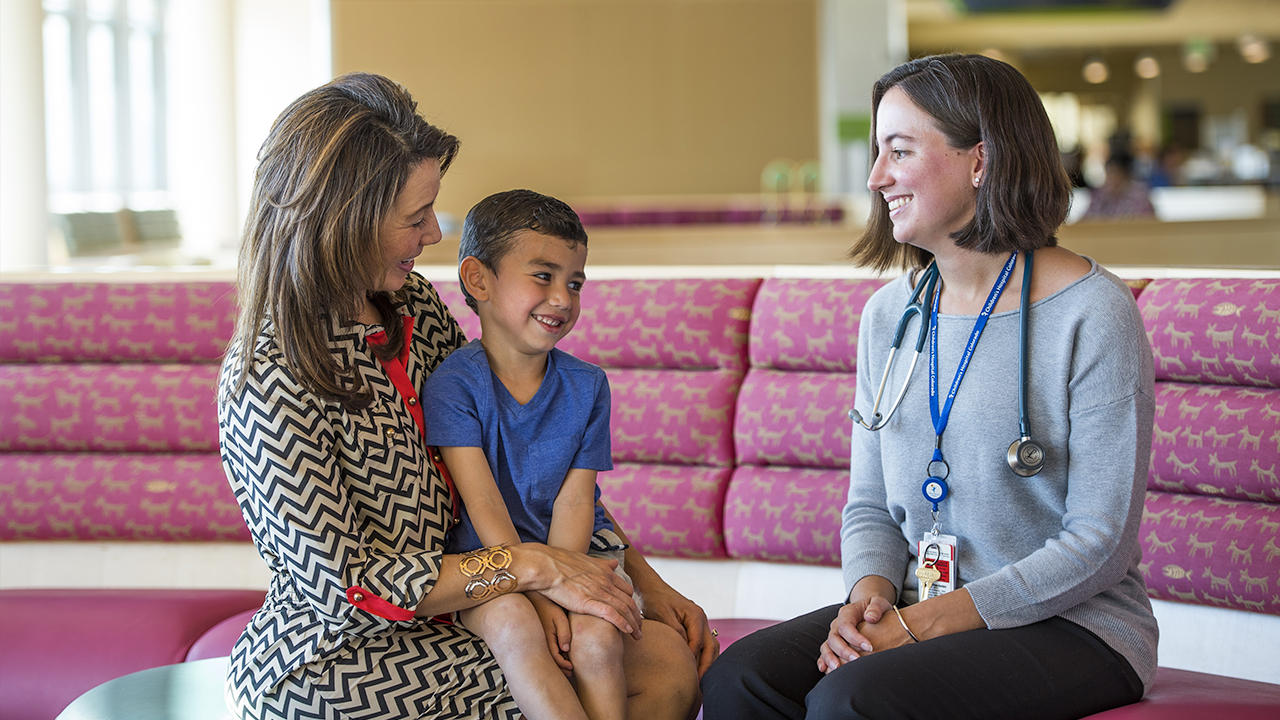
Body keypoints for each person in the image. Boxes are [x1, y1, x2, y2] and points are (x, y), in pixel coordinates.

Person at [218, 72, 712, 720]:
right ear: (345, 221)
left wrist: (642, 582)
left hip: (466, 608)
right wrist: (530, 569)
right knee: (639, 668)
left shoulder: (410, 304)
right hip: (337, 657)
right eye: (415, 217)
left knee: (665, 657)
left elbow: (529, 457)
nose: (431, 235)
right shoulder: (269, 377)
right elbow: (348, 589)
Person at [701, 53, 1157, 720]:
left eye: (900, 151)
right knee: (739, 679)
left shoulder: (1093, 312)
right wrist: (867, 601)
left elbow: (1099, 544)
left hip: (1076, 626)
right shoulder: (892, 315)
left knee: (853, 700)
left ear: (981, 161)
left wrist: (917, 627)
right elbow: (870, 504)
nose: (875, 176)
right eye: (877, 151)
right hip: (921, 601)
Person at [420, 189, 634, 720]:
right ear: (479, 280)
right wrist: (538, 591)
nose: (562, 297)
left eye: (575, 283)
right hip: (490, 570)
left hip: (574, 555)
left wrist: (565, 591)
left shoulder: (588, 386)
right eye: (543, 276)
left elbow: (577, 503)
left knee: (598, 636)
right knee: (518, 625)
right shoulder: (454, 387)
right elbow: (484, 505)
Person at [1083, 150, 1156, 220]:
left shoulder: (1140, 199)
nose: (1110, 178)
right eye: (1108, 173)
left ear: (1126, 175)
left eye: (1114, 173)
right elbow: (1083, 223)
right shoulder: (1100, 197)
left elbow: (1149, 225)